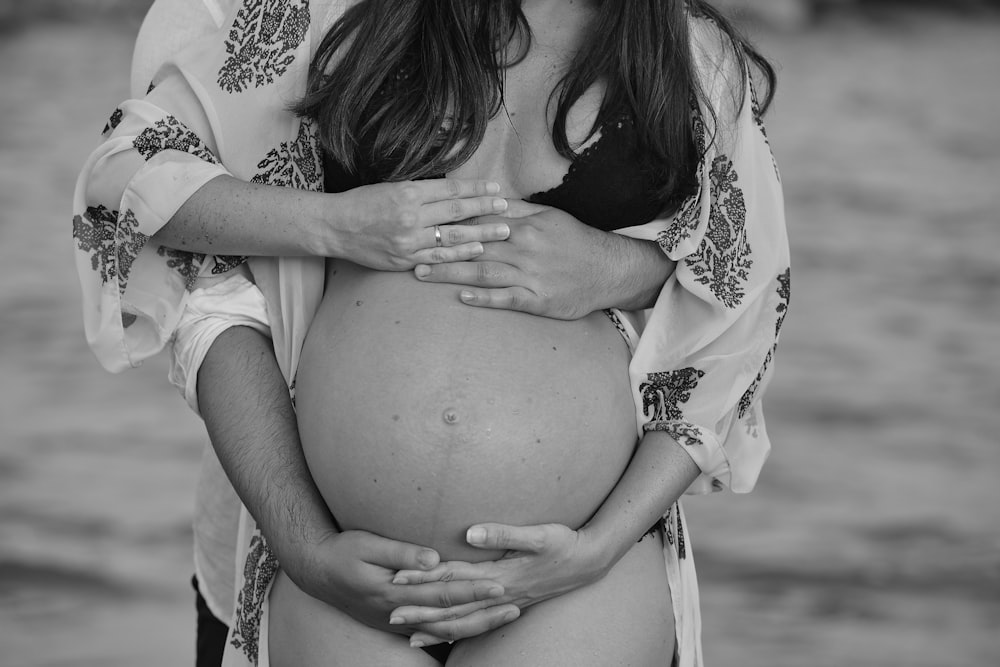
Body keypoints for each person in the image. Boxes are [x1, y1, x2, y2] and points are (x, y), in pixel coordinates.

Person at [73, 0, 789, 665]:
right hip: (316, 556)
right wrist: (336, 225)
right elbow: (133, 181)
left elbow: (743, 303)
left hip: (580, 575)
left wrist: (598, 546)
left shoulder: (684, 59)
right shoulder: (331, 16)